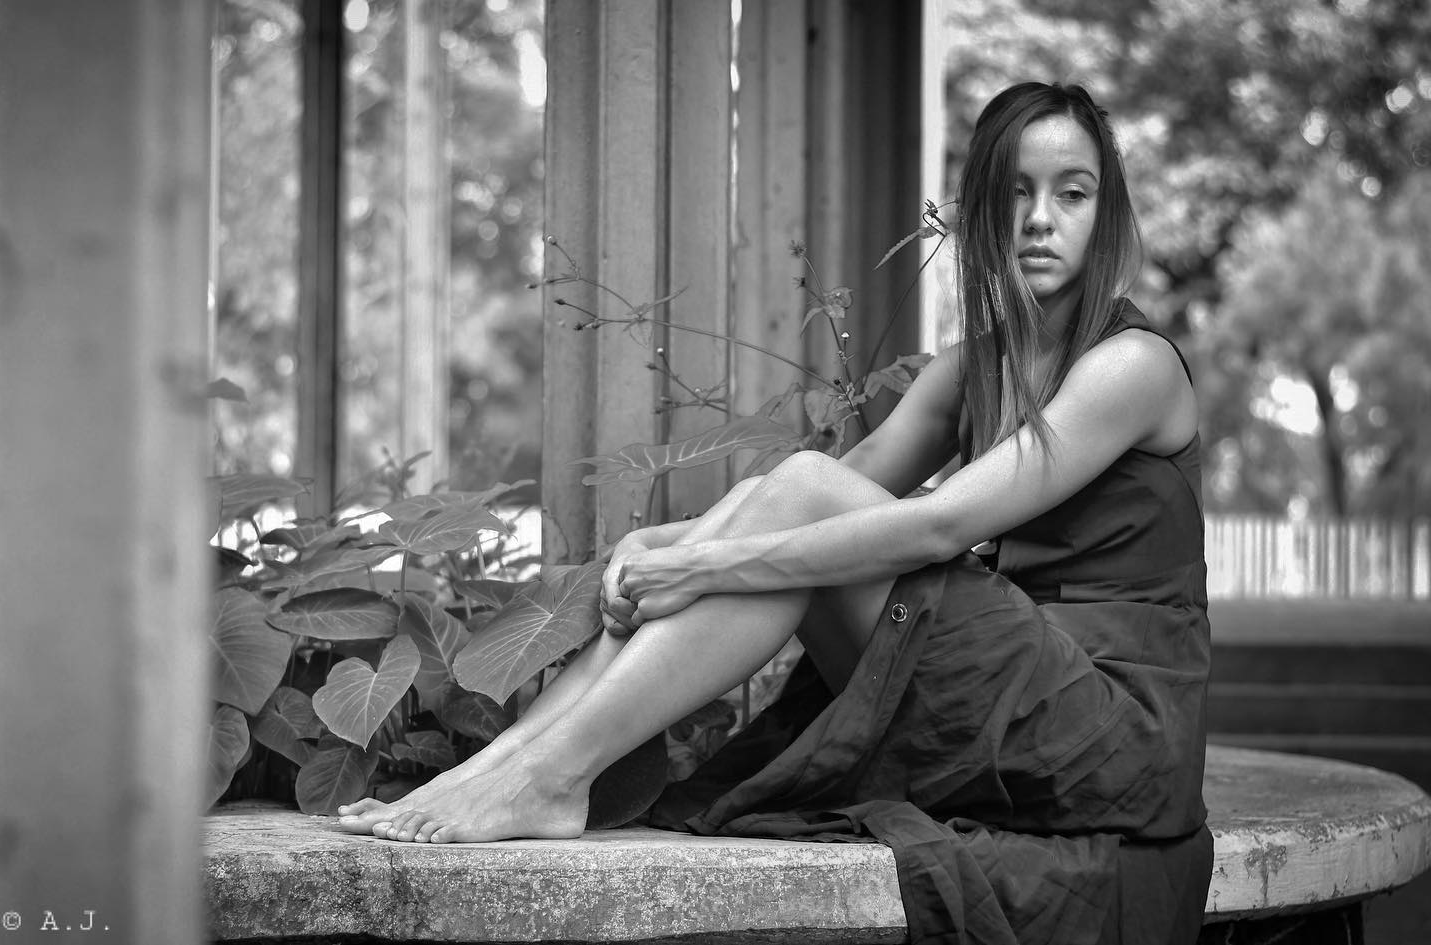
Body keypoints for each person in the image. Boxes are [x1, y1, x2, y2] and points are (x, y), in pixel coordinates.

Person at [338, 81, 1213, 945]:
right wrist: (664, 540)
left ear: (1106, 212)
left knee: (794, 498)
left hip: (1109, 728)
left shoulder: (1131, 366)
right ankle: (512, 763)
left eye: (1072, 193)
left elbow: (940, 524)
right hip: (1015, 688)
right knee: (793, 489)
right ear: (983, 208)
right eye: (1016, 192)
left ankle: (552, 774)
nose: (1040, 219)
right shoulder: (972, 370)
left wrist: (699, 563)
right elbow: (836, 483)